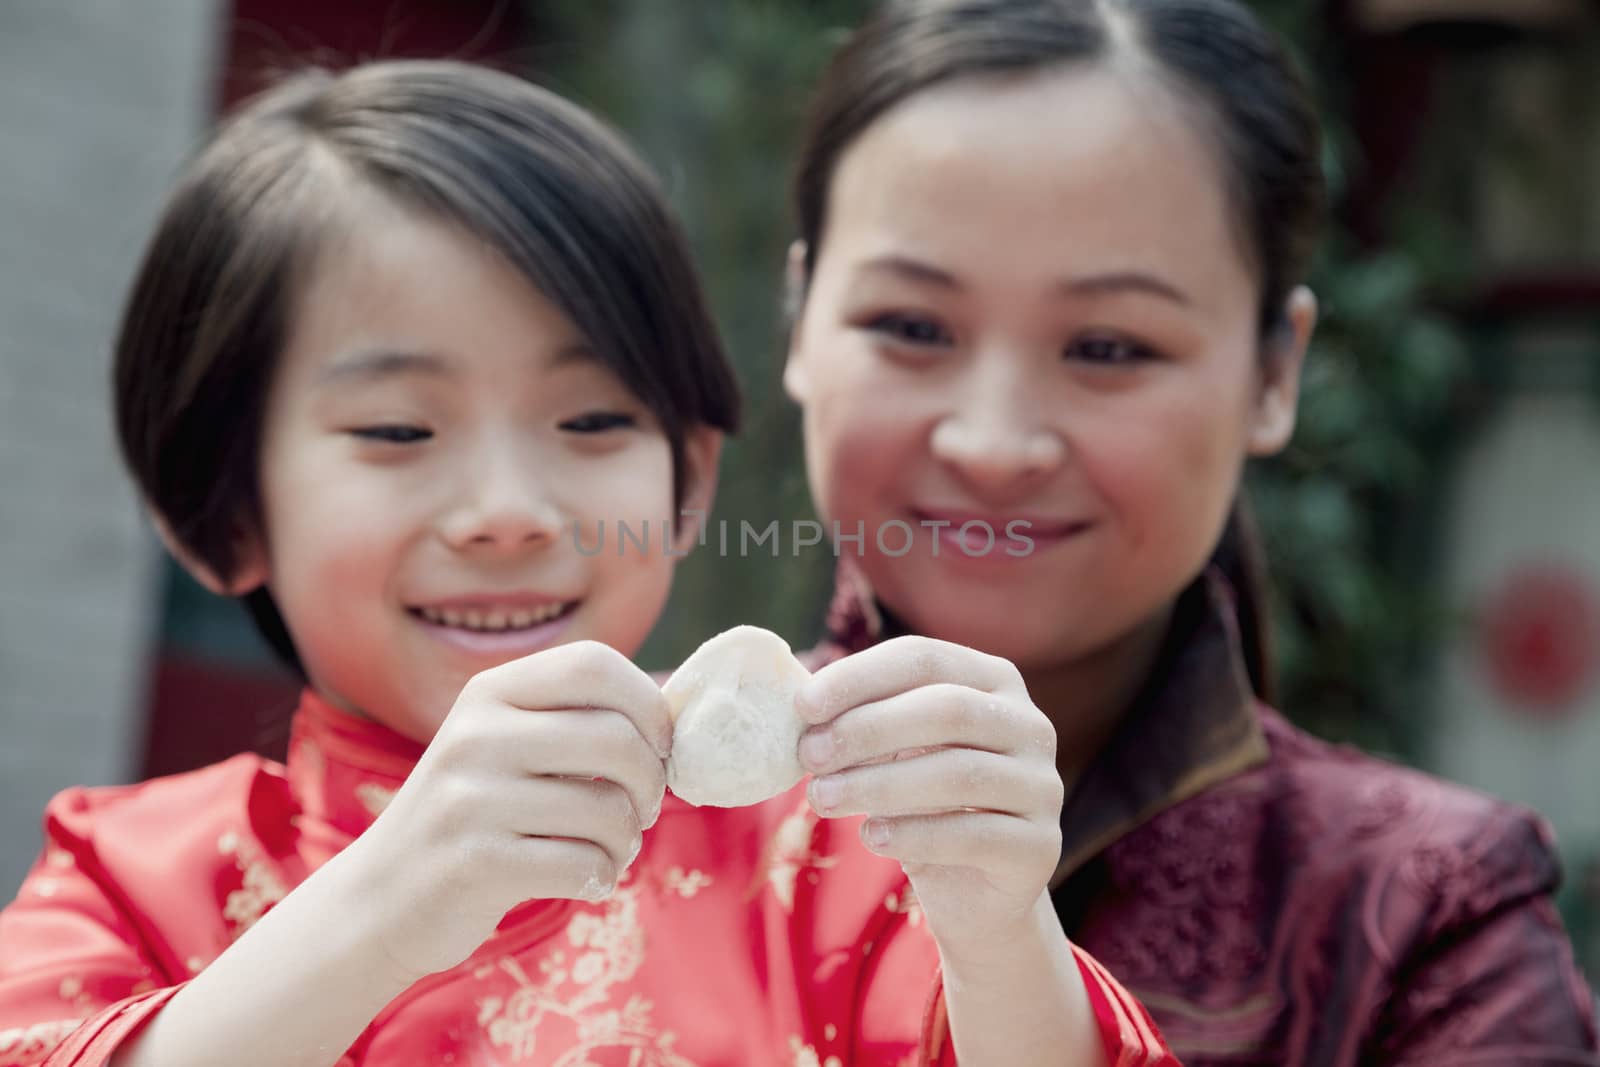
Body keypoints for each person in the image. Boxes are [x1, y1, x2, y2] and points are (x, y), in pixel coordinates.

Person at [0, 59, 1170, 1067]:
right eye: (399, 431)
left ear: (689, 481)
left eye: (592, 423)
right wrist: (389, 908)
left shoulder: (837, 855)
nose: (509, 512)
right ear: (222, 511)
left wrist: (1001, 924)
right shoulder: (129, 873)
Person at [777, 0, 1600, 1063]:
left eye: (1109, 346)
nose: (993, 441)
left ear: (1272, 373)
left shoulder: (1423, 920)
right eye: (911, 326)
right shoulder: (611, 833)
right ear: (798, 323)